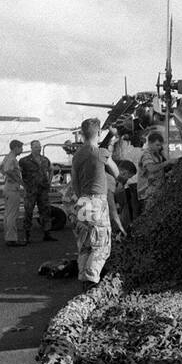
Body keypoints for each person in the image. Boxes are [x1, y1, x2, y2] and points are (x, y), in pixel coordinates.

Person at [69, 118, 120, 289]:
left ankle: (84, 278)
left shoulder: (77, 156)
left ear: (82, 134)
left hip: (82, 200)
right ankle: (91, 281)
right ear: (98, 133)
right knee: (101, 245)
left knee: (86, 244)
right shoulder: (100, 152)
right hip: (97, 201)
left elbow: (75, 183)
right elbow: (117, 172)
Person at [19, 140, 57, 243]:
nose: (39, 148)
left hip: (43, 190)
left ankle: (47, 233)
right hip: (30, 191)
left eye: (39, 147)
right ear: (31, 148)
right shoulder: (24, 161)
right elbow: (17, 172)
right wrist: (23, 184)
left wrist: (49, 182)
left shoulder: (45, 160)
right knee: (28, 212)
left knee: (45, 211)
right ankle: (26, 235)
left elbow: (51, 170)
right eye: (36, 147)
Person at [0, 139, 25, 247]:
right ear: (16, 148)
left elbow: (1, 168)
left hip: (7, 187)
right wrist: (18, 180)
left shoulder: (7, 157)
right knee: (12, 215)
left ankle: (9, 237)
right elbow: (8, 170)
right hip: (12, 188)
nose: (22, 150)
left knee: (8, 214)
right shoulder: (12, 159)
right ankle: (11, 239)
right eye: (21, 148)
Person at [138, 131, 168, 206]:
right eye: (157, 145)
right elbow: (151, 168)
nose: (159, 147)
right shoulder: (146, 155)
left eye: (160, 145)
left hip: (157, 189)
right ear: (150, 143)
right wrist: (167, 162)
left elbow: (159, 169)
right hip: (147, 192)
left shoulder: (157, 154)